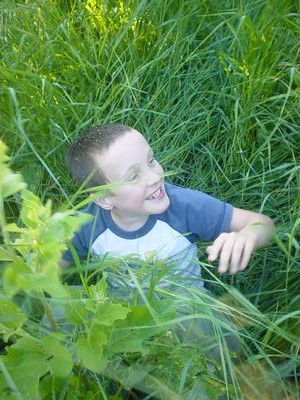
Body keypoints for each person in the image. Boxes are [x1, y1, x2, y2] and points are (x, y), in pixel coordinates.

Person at [60, 123, 275, 356]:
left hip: (187, 307)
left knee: (219, 345)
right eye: (133, 176)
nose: (154, 177)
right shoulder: (87, 224)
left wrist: (248, 235)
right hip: (121, 311)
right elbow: (51, 268)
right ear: (103, 200)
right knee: (61, 315)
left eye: (151, 160)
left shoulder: (183, 207)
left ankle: (235, 377)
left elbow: (263, 224)